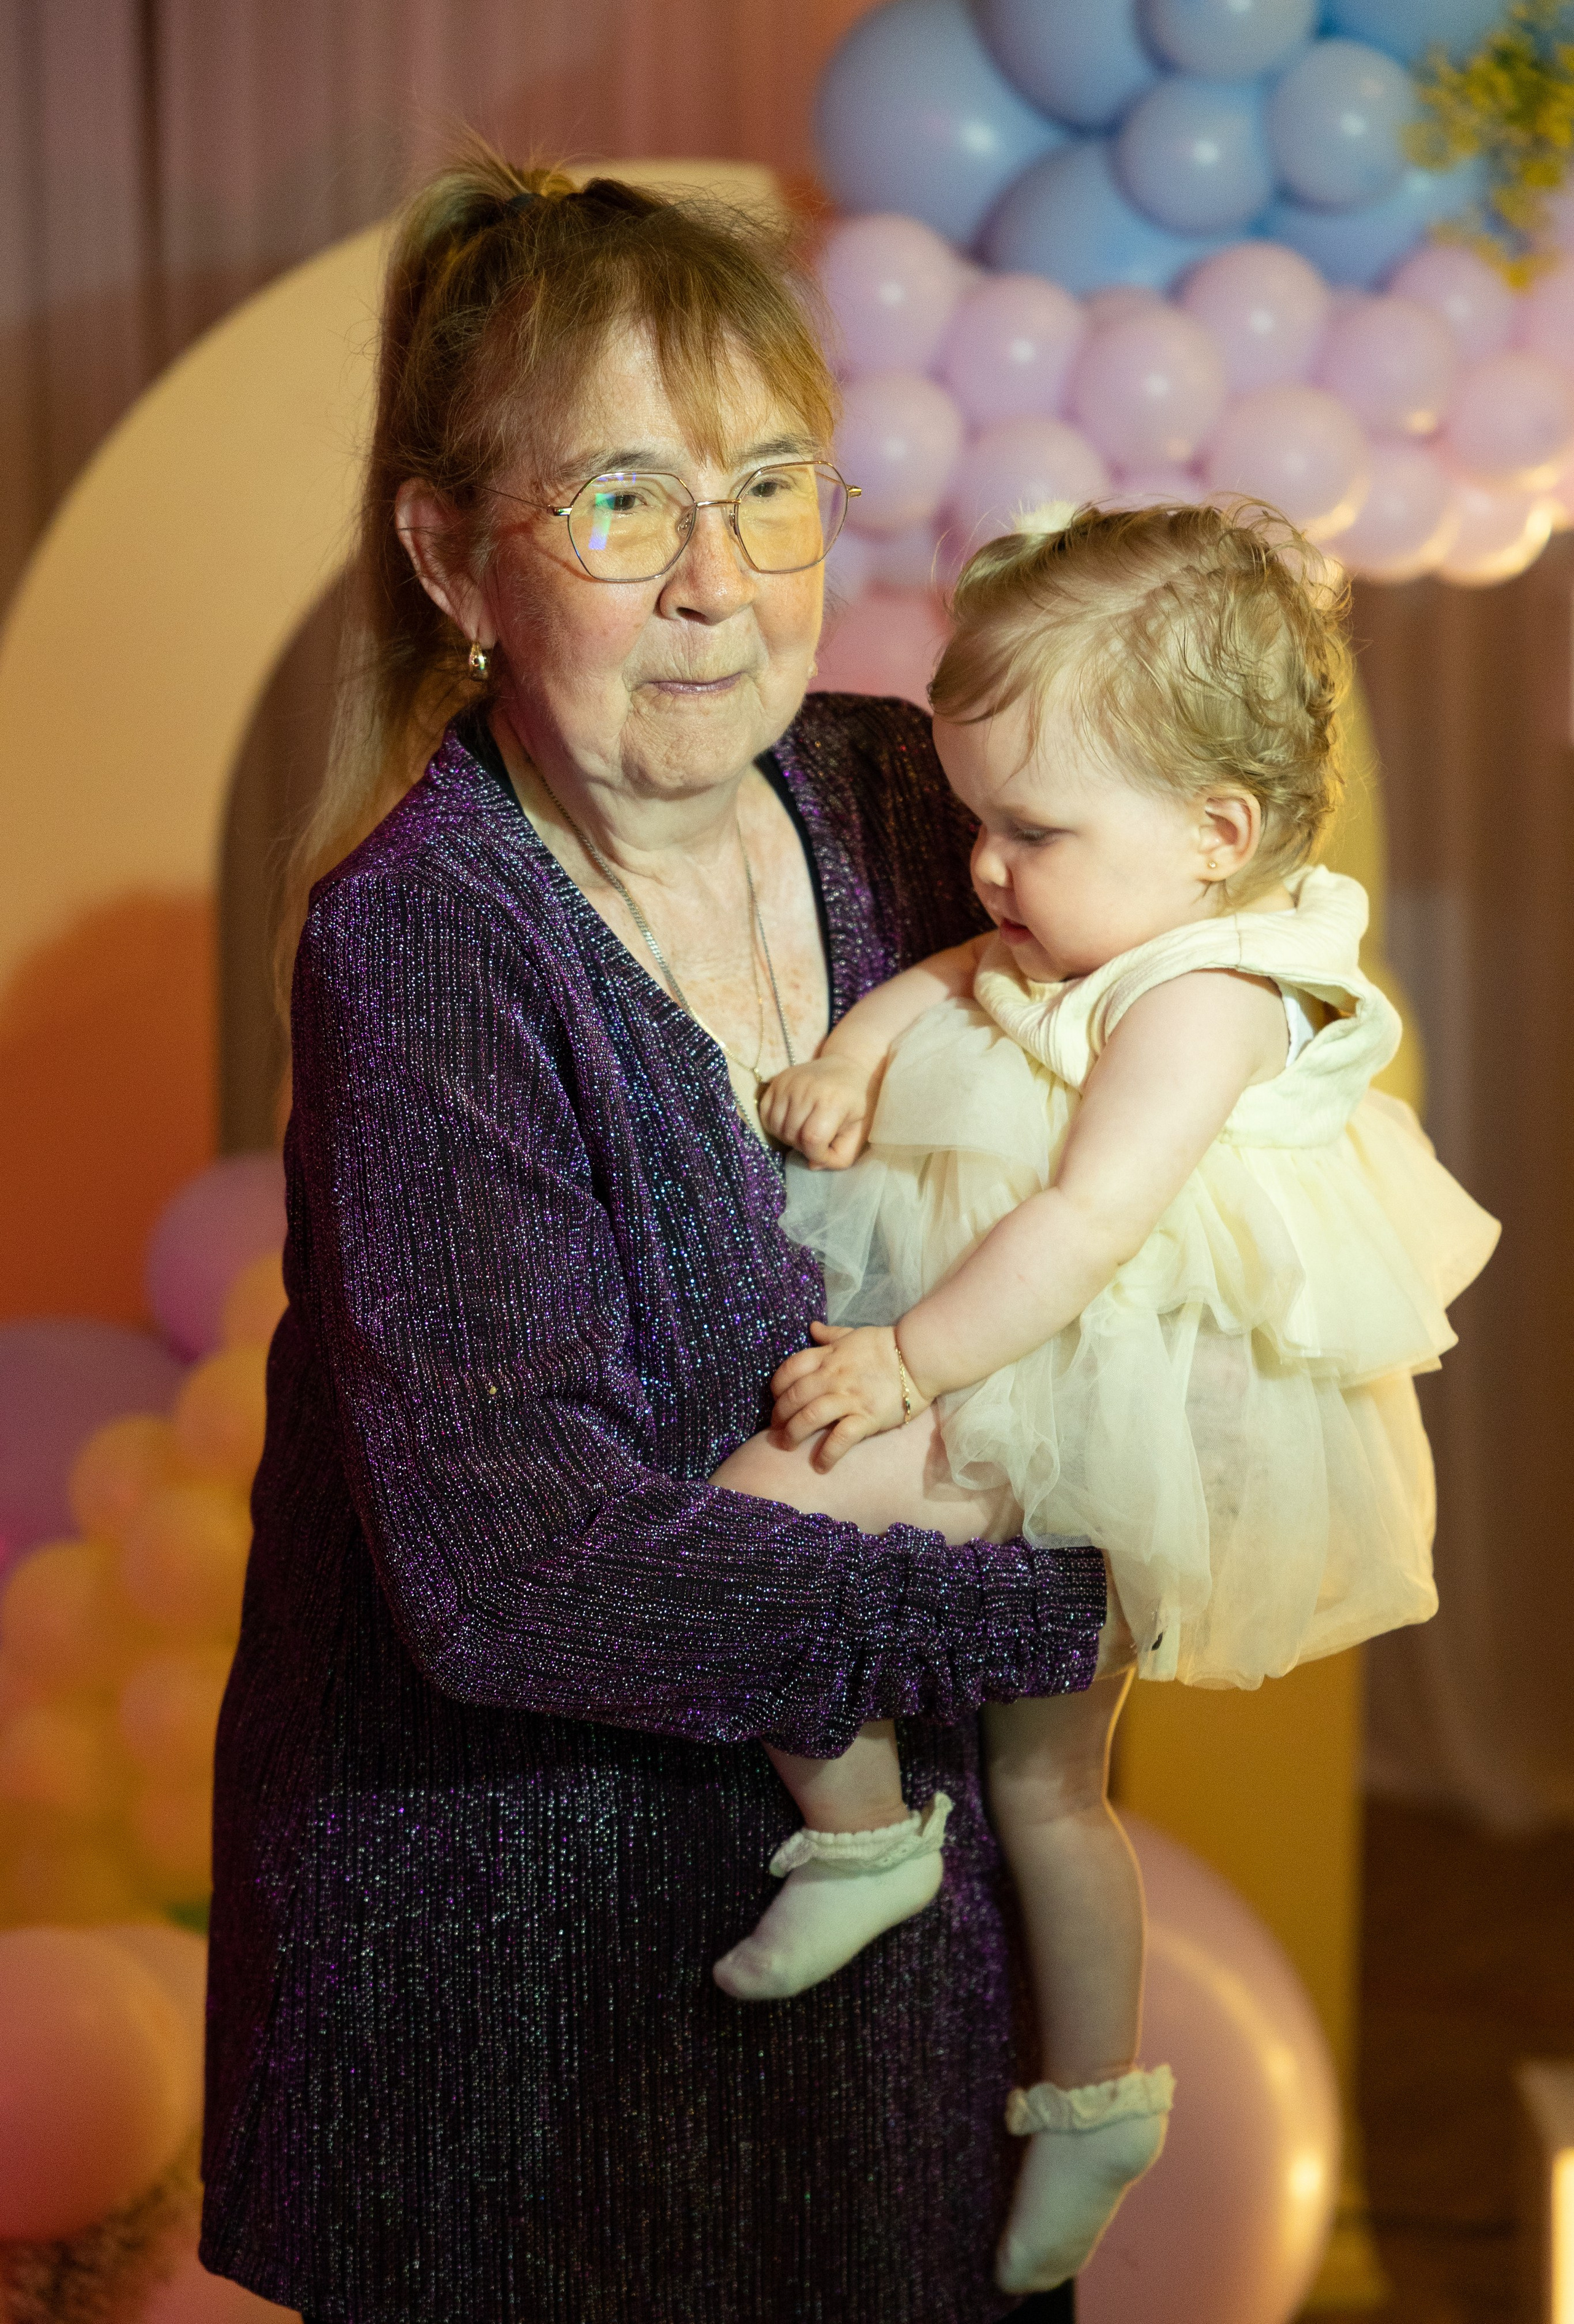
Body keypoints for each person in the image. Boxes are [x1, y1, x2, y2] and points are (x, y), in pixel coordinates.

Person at [197, 150, 1112, 2324]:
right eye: (620, 504)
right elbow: (521, 1577)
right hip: (526, 1977)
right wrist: (1069, 1604)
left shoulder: (920, 804)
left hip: (908, 1951)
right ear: (453, 556)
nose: (719, 584)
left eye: (770, 486)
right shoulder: (425, 938)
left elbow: (1197, 1001)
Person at [710, 502, 1500, 2294]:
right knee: (1043, 1780)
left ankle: (918, 1896)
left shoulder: (1213, 991)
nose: (984, 866)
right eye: (980, 819)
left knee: (774, 1543)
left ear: (1216, 836)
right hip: (1037, 1358)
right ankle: (1038, 2025)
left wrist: (902, 1363)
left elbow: (1085, 1220)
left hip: (1102, 1391)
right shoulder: (1095, 914)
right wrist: (851, 1056)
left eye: (1030, 830)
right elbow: (955, 976)